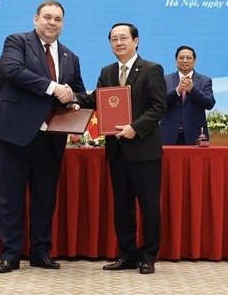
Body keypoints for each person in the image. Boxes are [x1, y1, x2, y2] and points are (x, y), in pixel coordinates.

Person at [0, 0, 86, 273]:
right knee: (10, 197)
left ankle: (40, 251)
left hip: (50, 137)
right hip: (13, 134)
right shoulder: (17, 42)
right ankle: (10, 253)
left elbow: (78, 90)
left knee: (45, 199)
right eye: (47, 17)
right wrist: (54, 88)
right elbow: (11, 71)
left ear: (63, 23)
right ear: (36, 19)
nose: (52, 22)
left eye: (58, 18)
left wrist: (75, 101)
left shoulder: (71, 56)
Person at [75, 23, 166, 274]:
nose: (118, 43)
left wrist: (135, 127)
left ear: (136, 41)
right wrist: (72, 99)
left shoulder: (151, 69)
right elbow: (96, 99)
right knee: (123, 209)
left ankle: (148, 257)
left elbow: (158, 107)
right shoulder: (107, 71)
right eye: (113, 39)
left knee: (149, 208)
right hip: (117, 152)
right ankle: (127, 255)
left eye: (123, 38)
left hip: (144, 151)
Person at [160, 46, 216, 145]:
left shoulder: (205, 80)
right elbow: (160, 103)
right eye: (181, 58)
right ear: (176, 60)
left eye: (188, 58)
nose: (185, 61)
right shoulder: (164, 80)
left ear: (195, 60)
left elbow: (209, 103)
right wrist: (177, 91)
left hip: (195, 134)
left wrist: (192, 90)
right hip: (169, 134)